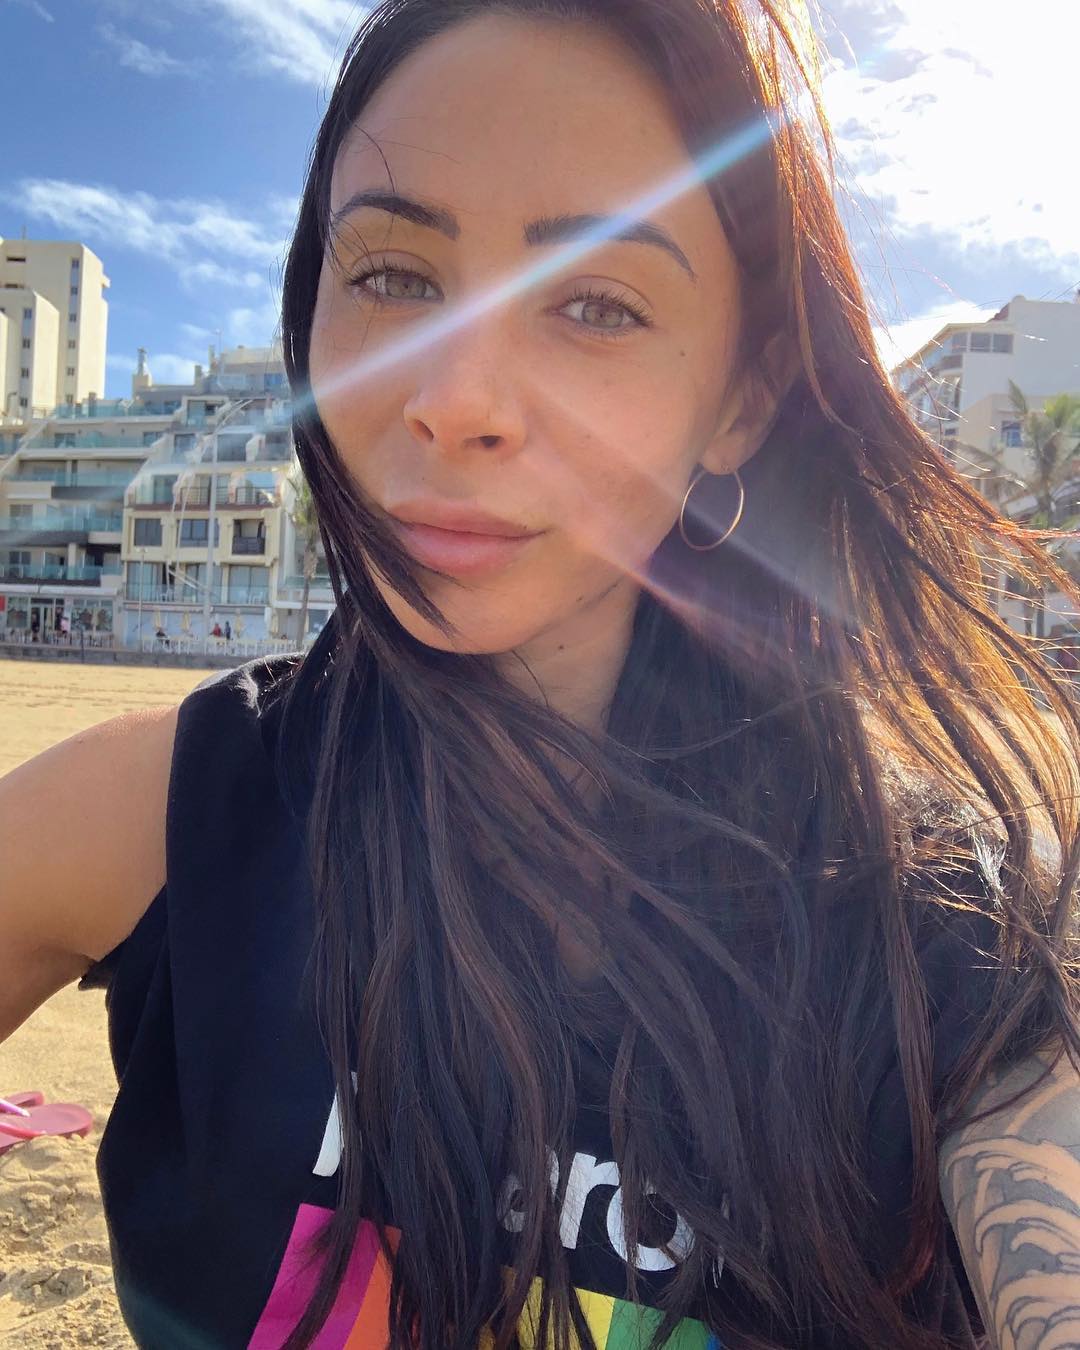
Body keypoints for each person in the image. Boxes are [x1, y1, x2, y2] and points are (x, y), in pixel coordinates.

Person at [3, 3, 1080, 1347]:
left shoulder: (940, 922)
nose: (453, 398)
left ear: (742, 397)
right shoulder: (168, 816)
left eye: (596, 304)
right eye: (394, 276)